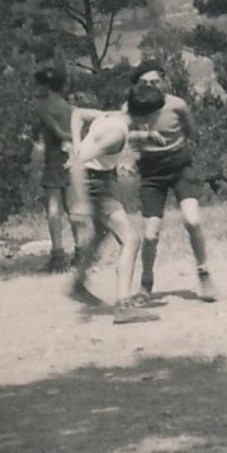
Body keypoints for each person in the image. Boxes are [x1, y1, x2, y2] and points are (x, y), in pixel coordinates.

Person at [127, 61, 217, 303]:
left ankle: (204, 272)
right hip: (151, 173)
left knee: (192, 220)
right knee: (150, 234)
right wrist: (143, 136)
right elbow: (125, 136)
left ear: (164, 82)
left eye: (155, 82)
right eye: (144, 83)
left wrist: (173, 149)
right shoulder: (132, 107)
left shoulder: (177, 105)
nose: (150, 87)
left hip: (179, 167)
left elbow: (190, 130)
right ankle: (146, 285)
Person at [67, 94, 156, 325]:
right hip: (94, 183)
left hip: (99, 180)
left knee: (100, 233)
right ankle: (123, 306)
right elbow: (79, 161)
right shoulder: (117, 134)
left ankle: (78, 285)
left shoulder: (110, 115)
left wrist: (77, 142)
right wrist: (81, 200)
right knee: (130, 240)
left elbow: (77, 114)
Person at [33, 65, 77, 271]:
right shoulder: (69, 107)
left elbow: (57, 132)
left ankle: (58, 255)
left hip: (54, 159)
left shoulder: (44, 106)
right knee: (73, 207)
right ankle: (81, 251)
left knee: (53, 207)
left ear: (46, 86)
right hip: (73, 158)